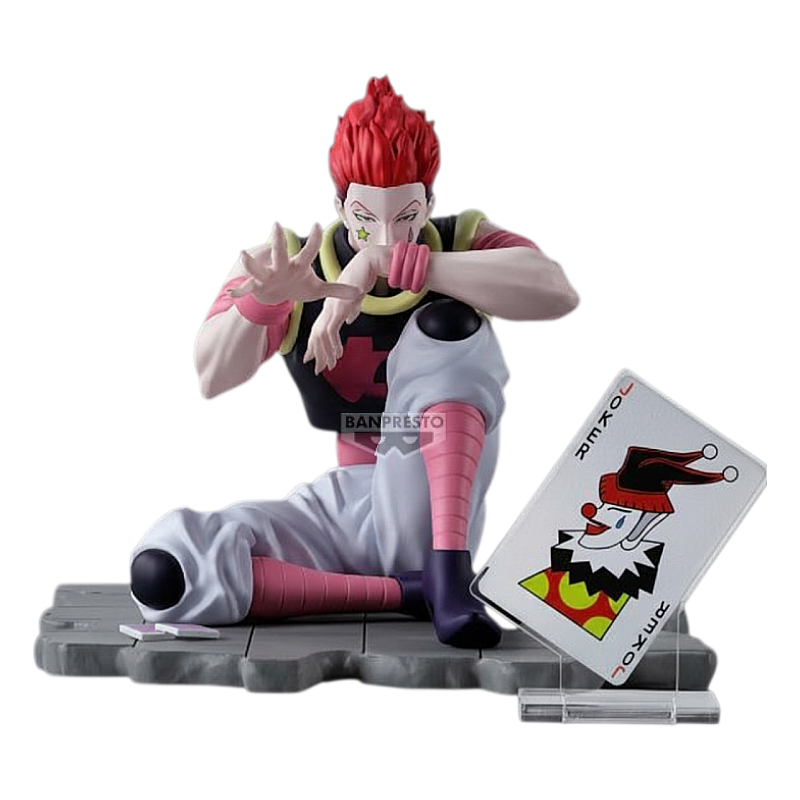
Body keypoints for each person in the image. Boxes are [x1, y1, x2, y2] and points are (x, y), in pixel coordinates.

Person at [130, 77, 579, 648]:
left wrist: (408, 266)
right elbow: (211, 374)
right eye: (366, 219)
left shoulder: (460, 241)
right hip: (346, 501)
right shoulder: (292, 264)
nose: (386, 235)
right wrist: (264, 304)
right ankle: (407, 592)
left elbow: (554, 291)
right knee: (169, 567)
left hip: (431, 503)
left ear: (429, 204)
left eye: (406, 215)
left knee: (447, 329)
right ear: (340, 207)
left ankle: (446, 570)